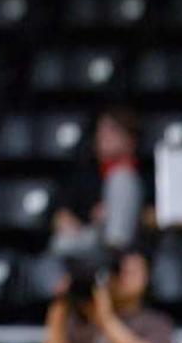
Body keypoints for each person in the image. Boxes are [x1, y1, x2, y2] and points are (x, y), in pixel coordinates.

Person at [43, 249, 172, 343]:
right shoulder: (80, 318)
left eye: (133, 272)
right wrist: (58, 309)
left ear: (147, 276)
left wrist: (106, 320)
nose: (125, 277)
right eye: (119, 270)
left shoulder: (155, 322)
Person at [52, 107, 145, 256]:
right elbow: (62, 214)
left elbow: (159, 217)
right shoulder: (84, 175)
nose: (103, 136)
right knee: (61, 244)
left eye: (112, 130)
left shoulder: (148, 174)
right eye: (100, 130)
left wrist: (116, 211)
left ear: (130, 139)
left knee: (121, 178)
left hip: (136, 246)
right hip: (93, 241)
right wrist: (71, 220)